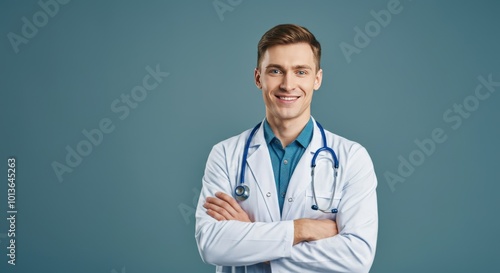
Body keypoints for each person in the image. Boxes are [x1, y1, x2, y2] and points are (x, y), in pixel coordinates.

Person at [195, 24, 378, 273]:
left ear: (317, 79)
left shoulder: (352, 158)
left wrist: (252, 238)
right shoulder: (226, 154)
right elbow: (212, 244)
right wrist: (302, 229)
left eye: (301, 72)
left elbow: (356, 258)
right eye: (276, 71)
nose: (288, 84)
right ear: (258, 77)